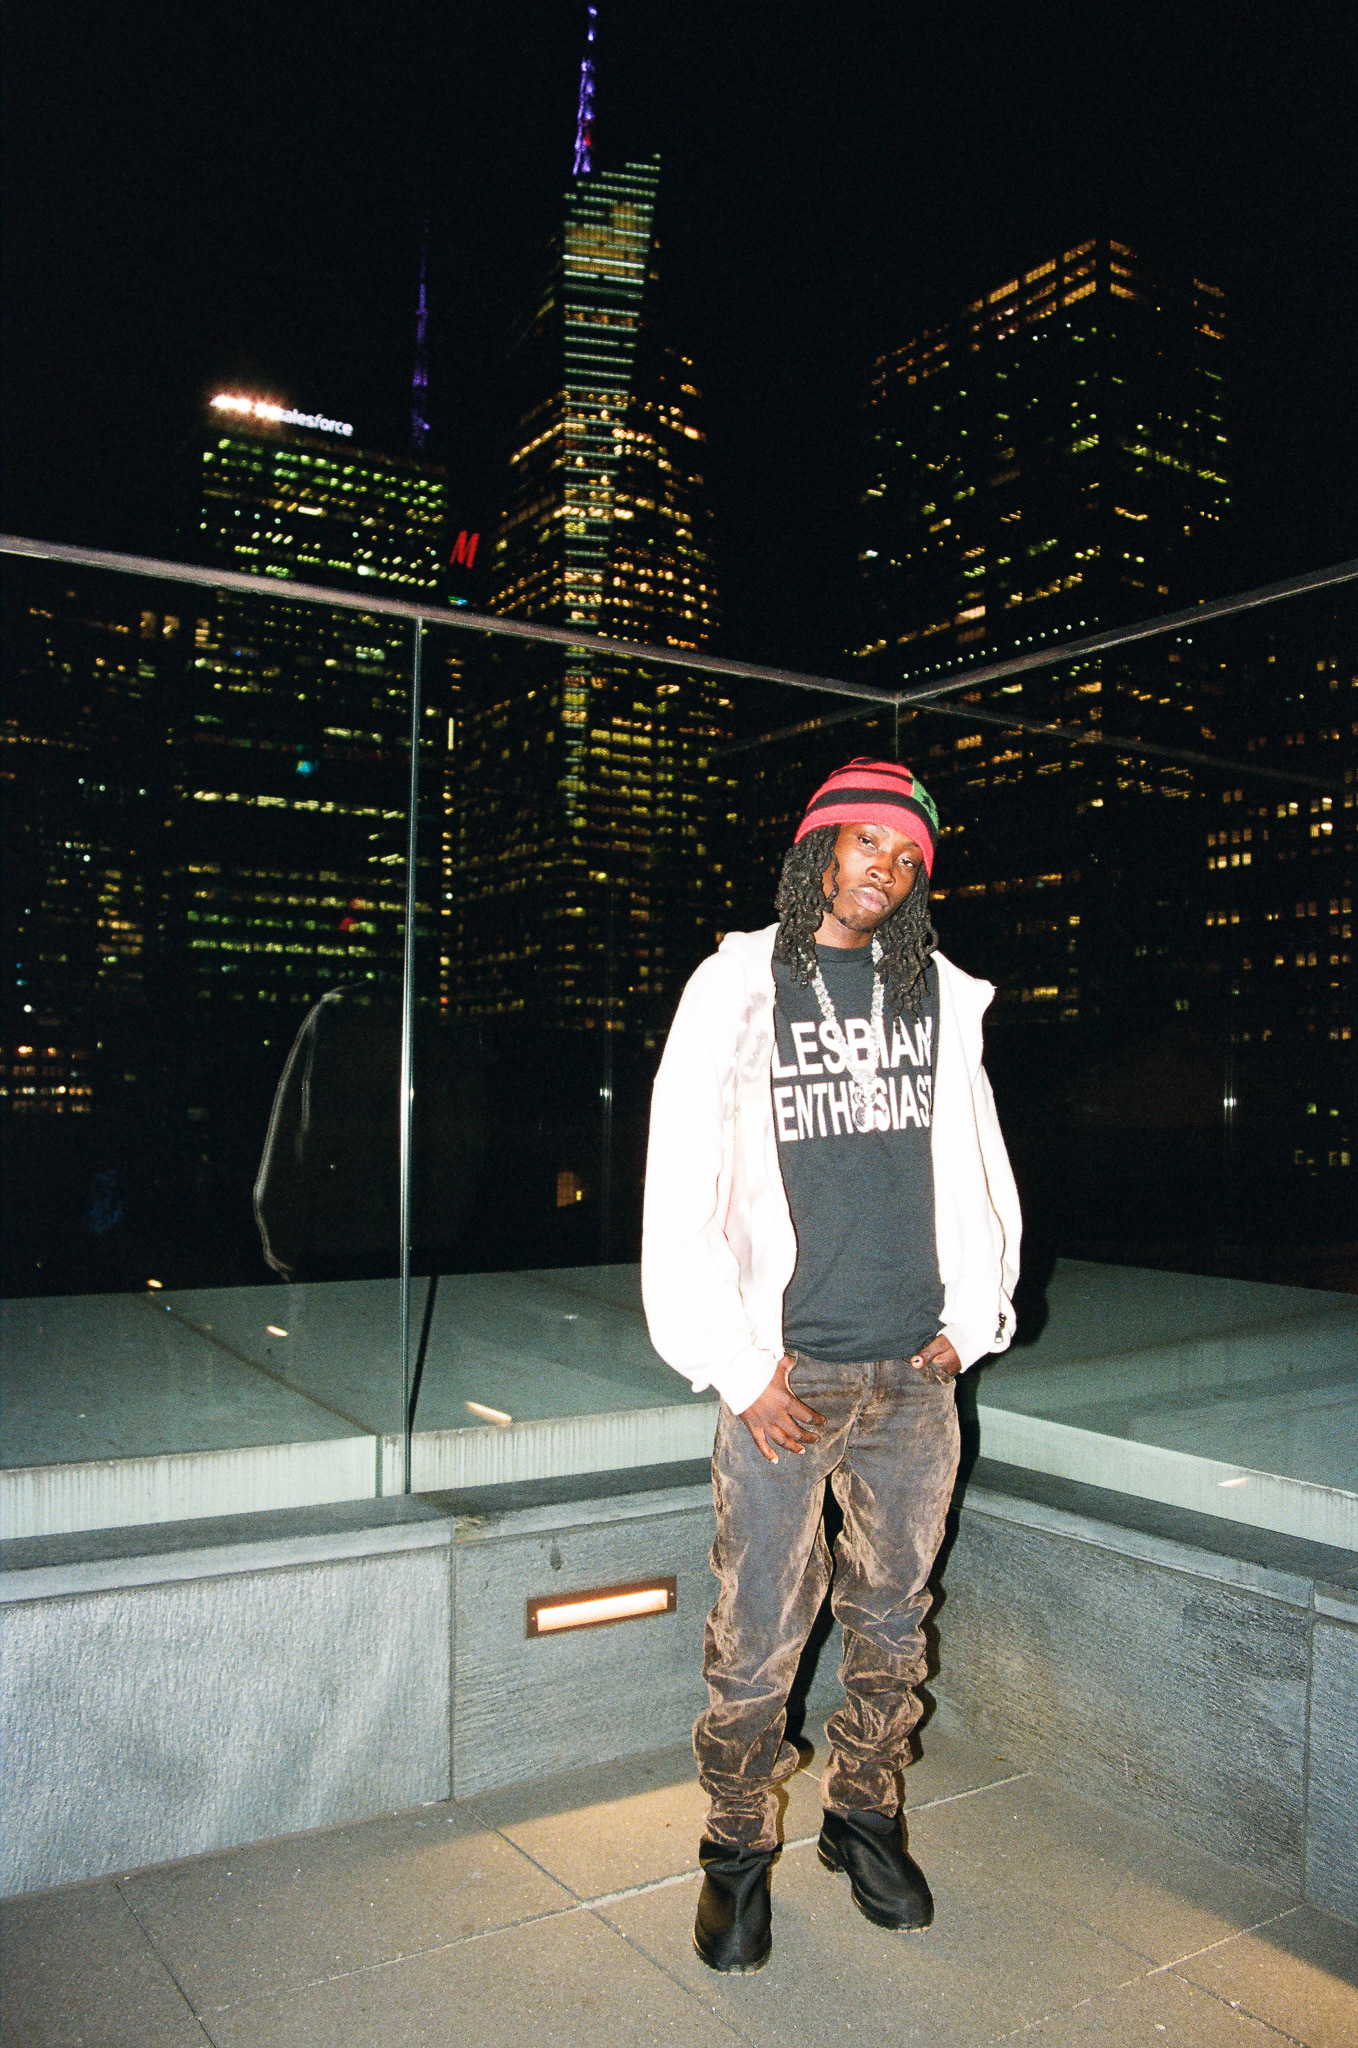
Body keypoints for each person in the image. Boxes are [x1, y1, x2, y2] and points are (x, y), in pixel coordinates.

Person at [641, 758, 1020, 1973]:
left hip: (913, 1372)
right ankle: (735, 1848)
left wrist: (975, 1315)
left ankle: (861, 1814)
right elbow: (679, 1182)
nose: (885, 869)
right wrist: (732, 1362)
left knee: (893, 1617)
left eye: (906, 857)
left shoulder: (937, 993)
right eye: (865, 842)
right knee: (756, 1627)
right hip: (783, 1375)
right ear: (817, 848)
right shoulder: (736, 985)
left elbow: (978, 1161)